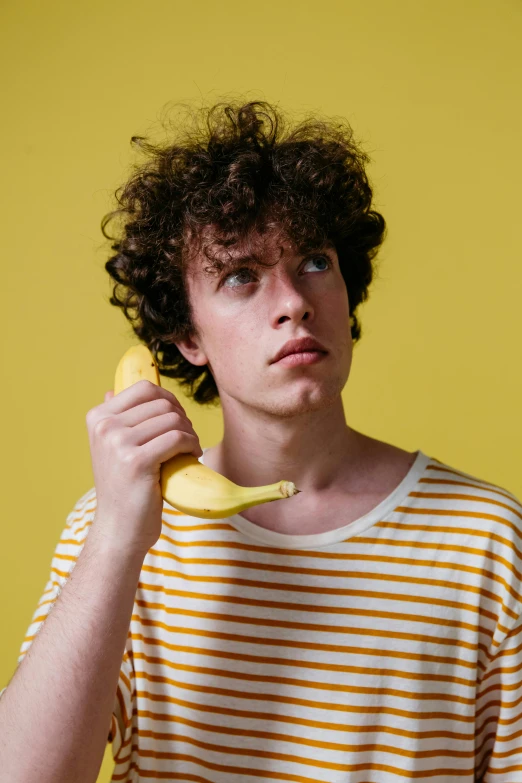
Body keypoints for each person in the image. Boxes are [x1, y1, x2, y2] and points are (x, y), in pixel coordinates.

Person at [1, 98, 521, 783]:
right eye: (241, 276)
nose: (293, 300)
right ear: (187, 338)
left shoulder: (488, 539)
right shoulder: (113, 534)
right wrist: (115, 541)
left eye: (314, 261)